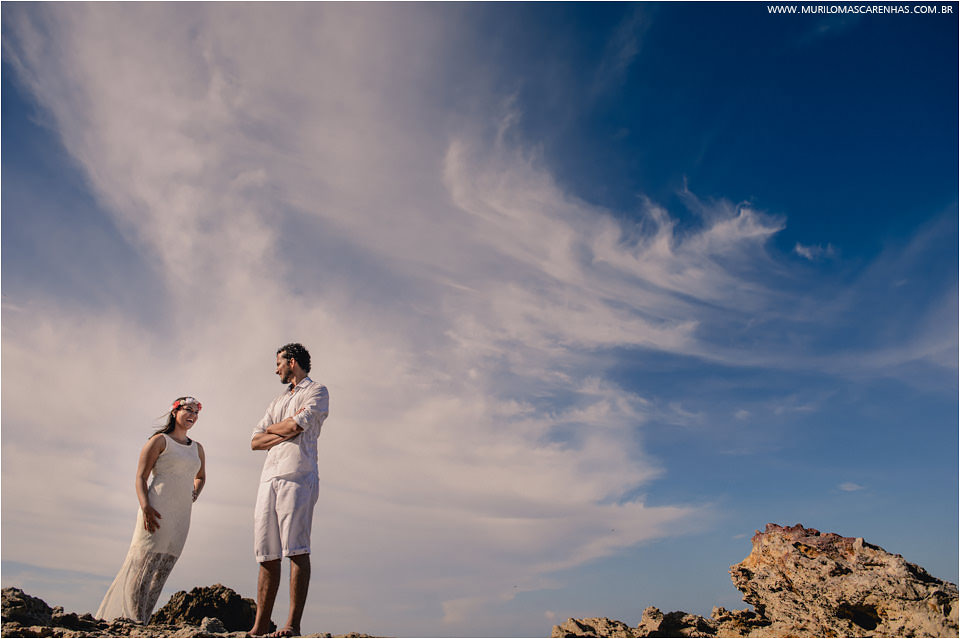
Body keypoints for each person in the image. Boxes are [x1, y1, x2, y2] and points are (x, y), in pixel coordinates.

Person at [97, 397, 206, 623]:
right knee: (142, 565)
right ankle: (132, 618)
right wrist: (145, 506)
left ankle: (144, 618)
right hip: (156, 510)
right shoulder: (160, 441)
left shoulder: (197, 448)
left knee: (162, 569)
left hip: (181, 516)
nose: (192, 415)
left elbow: (201, 477)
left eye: (196, 412)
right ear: (174, 412)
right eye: (188, 410)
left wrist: (193, 494)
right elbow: (141, 476)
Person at [248, 343, 329, 638]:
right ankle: (259, 627)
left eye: (279, 363)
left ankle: (292, 625)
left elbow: (299, 424)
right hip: (268, 478)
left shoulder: (316, 391)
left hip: (298, 475)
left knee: (296, 548)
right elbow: (255, 440)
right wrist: (282, 430)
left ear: (292, 361)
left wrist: (278, 430)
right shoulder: (278, 400)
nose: (276, 369)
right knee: (266, 552)